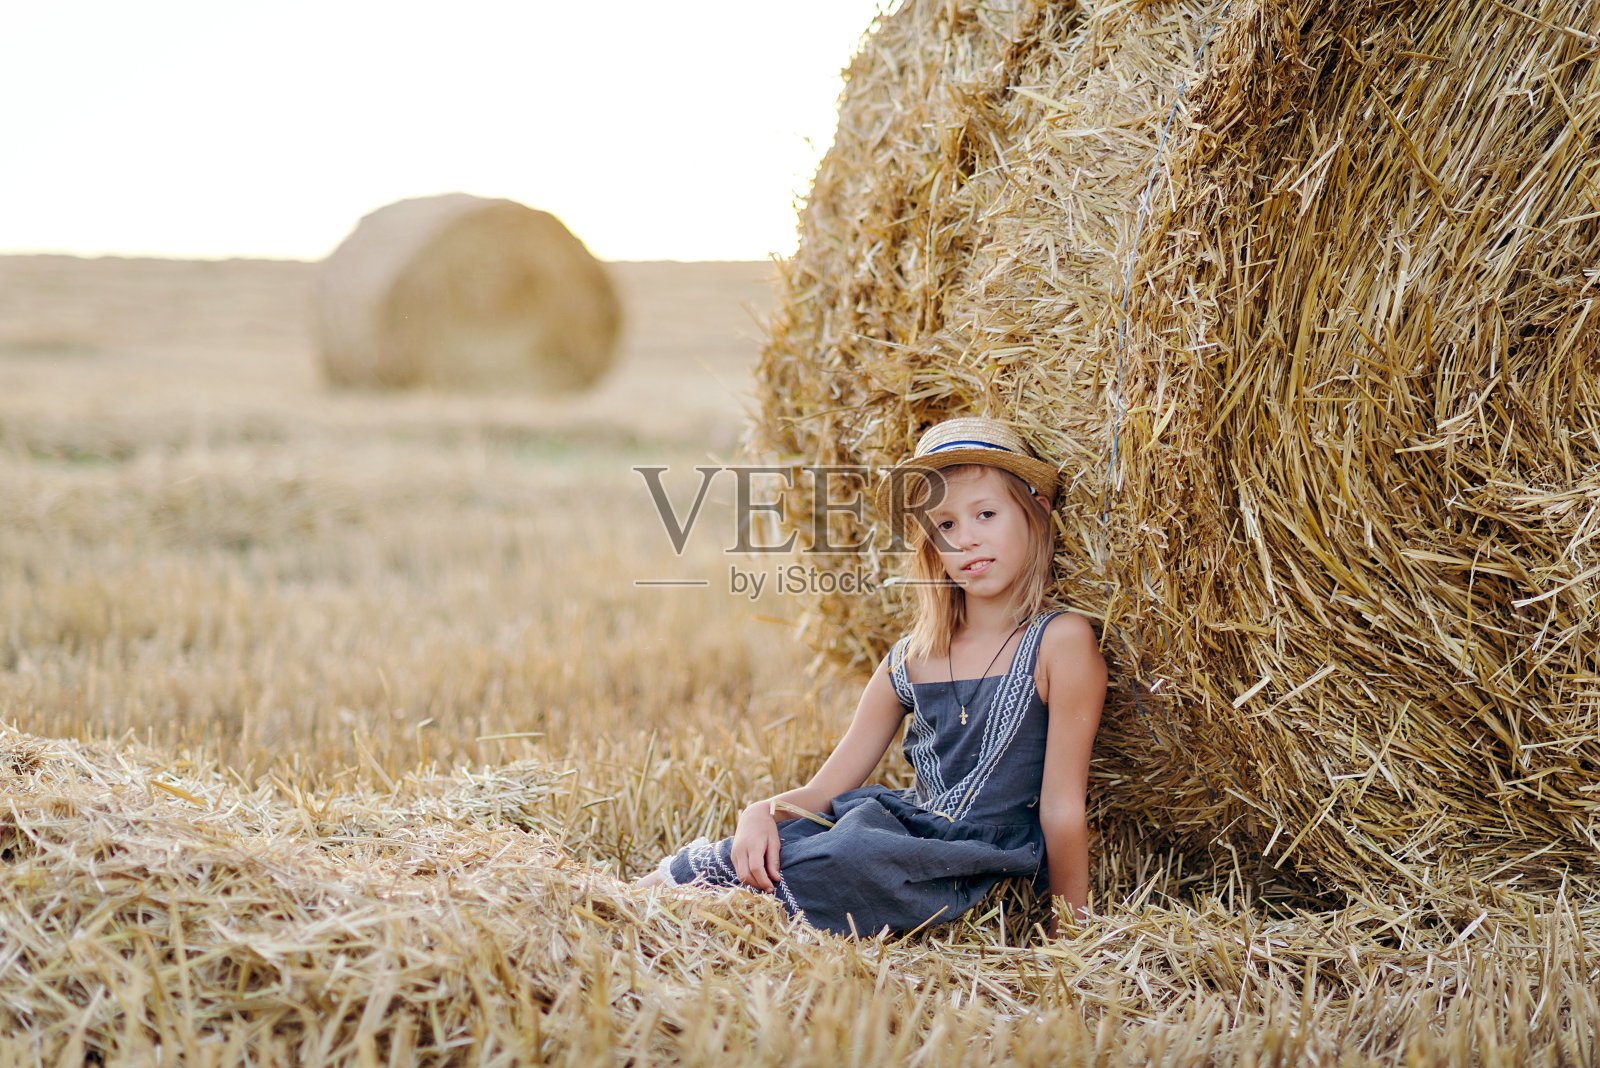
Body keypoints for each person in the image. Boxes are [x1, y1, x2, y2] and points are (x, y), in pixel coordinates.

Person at [635, 416, 1106, 936]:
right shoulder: (912, 657)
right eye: (945, 525)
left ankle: (686, 911)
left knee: (851, 853)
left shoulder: (1059, 643)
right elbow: (823, 790)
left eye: (986, 514)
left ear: (1037, 512)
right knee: (806, 844)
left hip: (966, 865)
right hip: (893, 840)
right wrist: (758, 813)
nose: (966, 539)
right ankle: (622, 905)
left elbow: (1062, 808)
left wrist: (1074, 941)